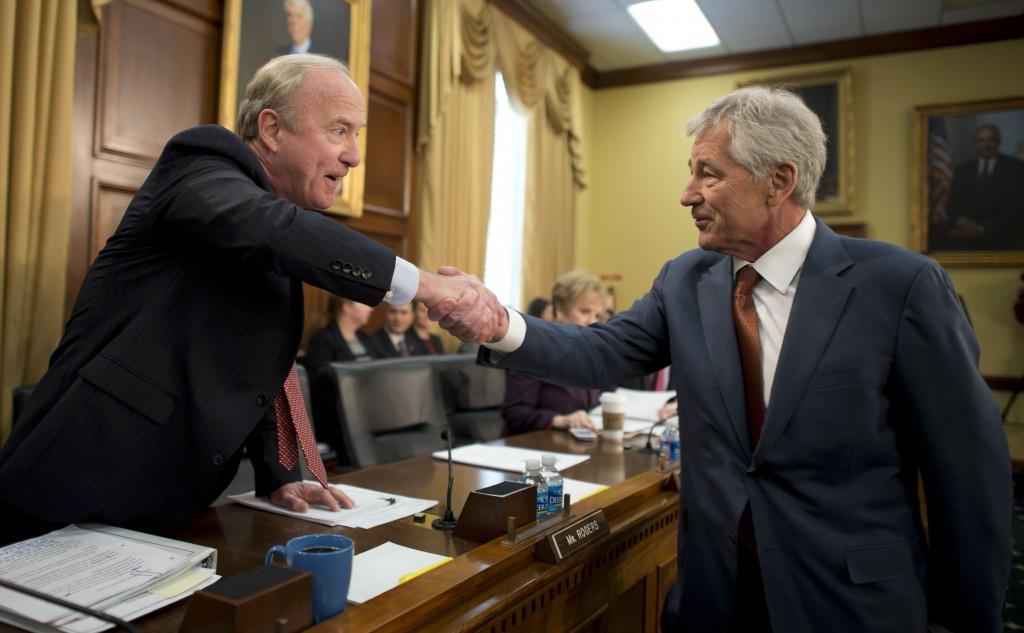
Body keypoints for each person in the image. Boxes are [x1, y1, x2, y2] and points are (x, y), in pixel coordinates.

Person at [472, 87, 1012, 632]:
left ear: (779, 180)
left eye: (709, 174)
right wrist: (500, 325)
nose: (688, 194)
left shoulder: (901, 286)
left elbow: (968, 478)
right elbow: (600, 351)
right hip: (715, 601)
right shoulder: (684, 280)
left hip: (849, 606)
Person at [0, 54, 500, 545]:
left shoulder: (277, 235)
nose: (354, 155)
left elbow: (260, 368)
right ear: (272, 129)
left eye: (357, 135)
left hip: (168, 511)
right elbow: (270, 229)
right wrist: (425, 285)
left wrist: (279, 475)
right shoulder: (202, 164)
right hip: (74, 484)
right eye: (339, 130)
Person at [501, 270, 604, 436]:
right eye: (585, 312)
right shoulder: (532, 350)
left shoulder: (591, 356)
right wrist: (562, 420)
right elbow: (515, 414)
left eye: (597, 315)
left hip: (576, 447)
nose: (593, 322)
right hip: (529, 449)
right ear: (560, 310)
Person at [943, 123, 1024, 250]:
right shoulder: (963, 170)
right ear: (976, 143)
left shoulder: (1015, 167)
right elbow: (953, 204)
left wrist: (982, 228)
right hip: (967, 243)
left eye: (991, 140)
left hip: (1004, 240)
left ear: (998, 142)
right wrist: (963, 222)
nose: (986, 145)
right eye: (981, 140)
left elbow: (1016, 206)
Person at [303, 295, 383, 374]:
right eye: (364, 304)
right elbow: (320, 379)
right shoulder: (322, 340)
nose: (371, 309)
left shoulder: (365, 337)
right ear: (347, 307)